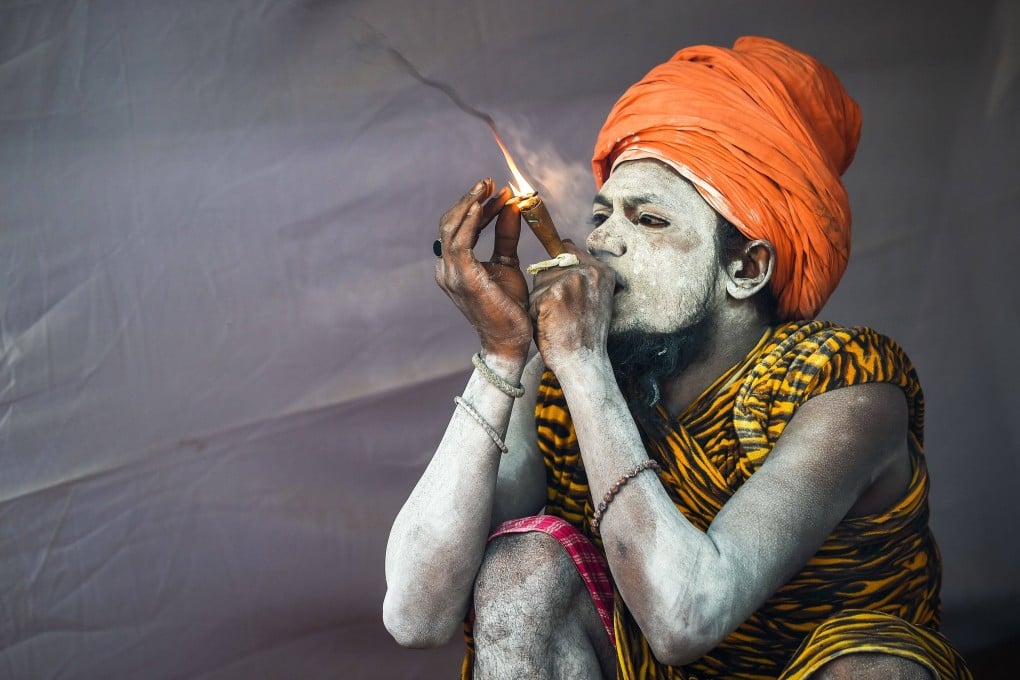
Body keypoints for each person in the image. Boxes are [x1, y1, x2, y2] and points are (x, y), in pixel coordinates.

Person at [383, 36, 971, 679]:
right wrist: (506, 352)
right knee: (523, 567)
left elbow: (684, 618)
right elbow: (417, 615)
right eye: (604, 214)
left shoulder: (846, 392)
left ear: (744, 268)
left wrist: (582, 363)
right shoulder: (567, 374)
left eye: (651, 221)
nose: (603, 241)